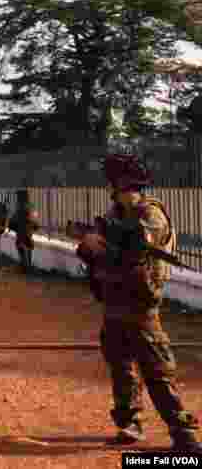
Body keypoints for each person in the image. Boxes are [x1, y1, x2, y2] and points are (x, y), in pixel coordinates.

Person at [76, 153, 201, 452]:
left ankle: (183, 434)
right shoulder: (116, 214)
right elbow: (105, 255)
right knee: (121, 368)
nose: (113, 187)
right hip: (115, 303)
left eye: (116, 181)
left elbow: (135, 252)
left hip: (140, 308)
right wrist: (90, 247)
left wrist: (101, 243)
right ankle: (130, 423)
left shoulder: (150, 213)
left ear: (123, 181)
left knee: (157, 371)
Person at [9, 189, 40, 273]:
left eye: (18, 196)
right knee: (28, 246)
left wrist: (11, 226)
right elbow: (35, 220)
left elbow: (14, 220)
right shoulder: (31, 207)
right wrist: (35, 227)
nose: (17, 198)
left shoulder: (20, 207)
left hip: (22, 230)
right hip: (29, 230)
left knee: (20, 245)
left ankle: (25, 265)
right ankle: (27, 264)